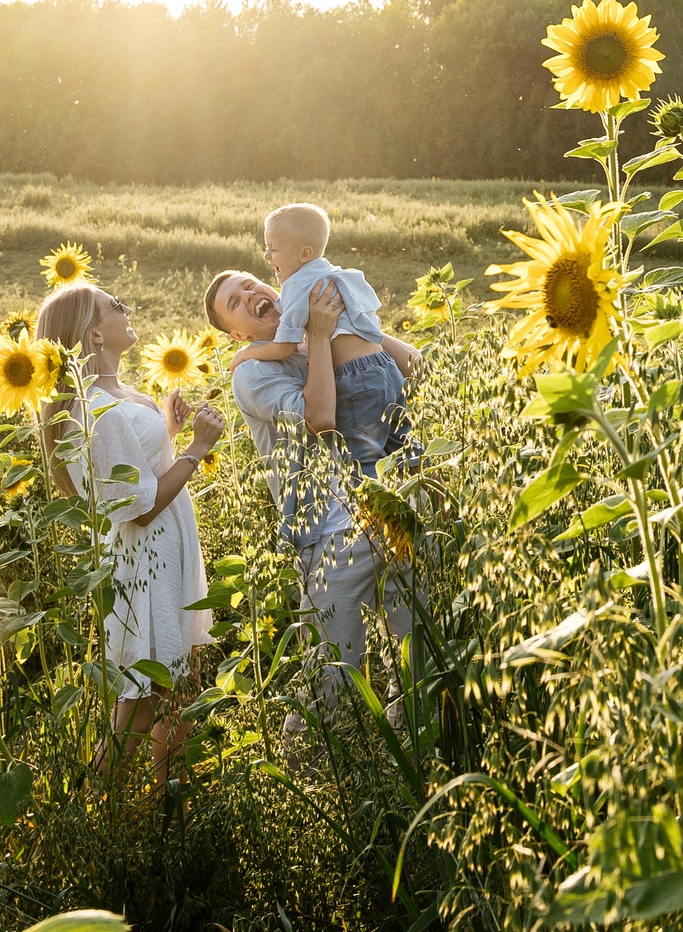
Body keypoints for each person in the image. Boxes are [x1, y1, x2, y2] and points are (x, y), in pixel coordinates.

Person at [206, 271, 417, 725]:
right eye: (236, 302)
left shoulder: (314, 336)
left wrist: (352, 319)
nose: (251, 294)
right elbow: (320, 418)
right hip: (329, 539)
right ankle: (314, 771)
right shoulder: (253, 373)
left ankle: (415, 765)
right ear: (238, 335)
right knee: (330, 682)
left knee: (419, 662)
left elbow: (411, 366)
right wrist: (319, 338)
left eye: (250, 284)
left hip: (389, 507)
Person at [38, 281, 223, 772]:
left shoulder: (115, 394)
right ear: (93, 334)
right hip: (144, 557)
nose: (129, 306)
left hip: (167, 549)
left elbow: (135, 473)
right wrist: (196, 450)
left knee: (182, 687)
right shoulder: (95, 408)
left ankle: (168, 811)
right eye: (115, 305)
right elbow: (137, 508)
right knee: (141, 704)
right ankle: (101, 820)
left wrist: (167, 433)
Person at [224, 202, 418, 465]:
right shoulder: (335, 275)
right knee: (410, 453)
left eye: (273, 249)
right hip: (386, 371)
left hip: (356, 377)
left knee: (362, 464)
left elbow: (284, 348)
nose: (266, 257)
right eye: (235, 303)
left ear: (304, 254)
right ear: (236, 334)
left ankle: (376, 501)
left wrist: (249, 352)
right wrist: (321, 332)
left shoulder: (297, 289)